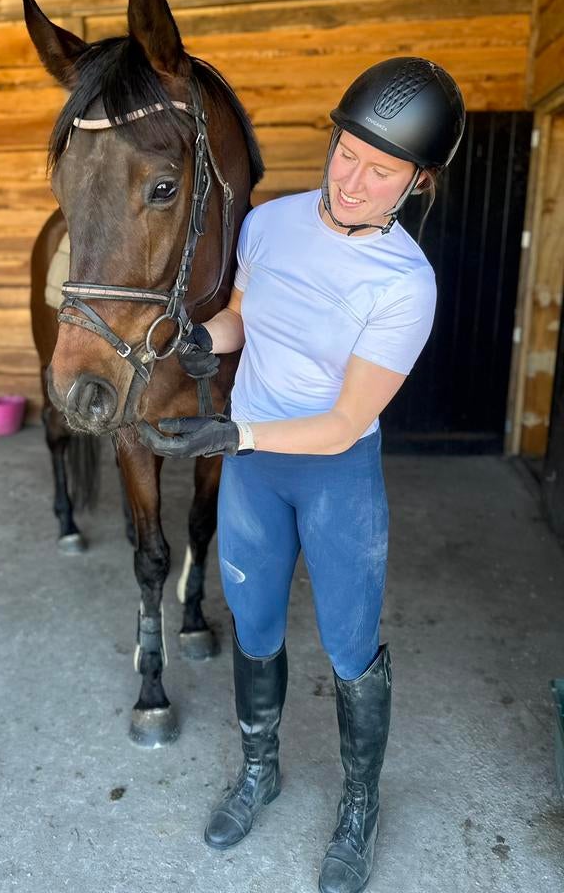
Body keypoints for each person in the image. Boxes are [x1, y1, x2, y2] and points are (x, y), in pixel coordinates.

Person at [138, 57, 465, 893]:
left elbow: (348, 421)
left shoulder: (405, 286)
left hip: (333, 477)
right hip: (254, 473)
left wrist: (233, 429)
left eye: (382, 170)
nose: (353, 180)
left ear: (417, 182)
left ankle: (361, 803)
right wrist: (188, 340)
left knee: (352, 648)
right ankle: (261, 771)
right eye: (347, 152)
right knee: (254, 629)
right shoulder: (269, 222)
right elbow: (242, 316)